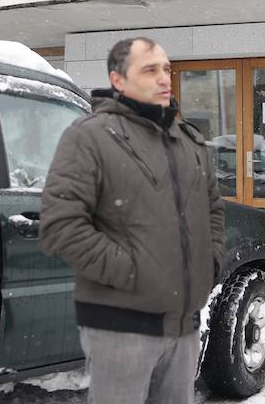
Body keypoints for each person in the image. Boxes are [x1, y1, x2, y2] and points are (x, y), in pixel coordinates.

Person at [40, 37, 226, 404]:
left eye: (167, 69)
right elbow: (61, 226)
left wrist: (211, 262)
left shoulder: (189, 143)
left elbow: (214, 210)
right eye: (150, 69)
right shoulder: (89, 137)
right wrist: (133, 272)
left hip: (184, 326)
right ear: (119, 80)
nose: (164, 79)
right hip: (120, 328)